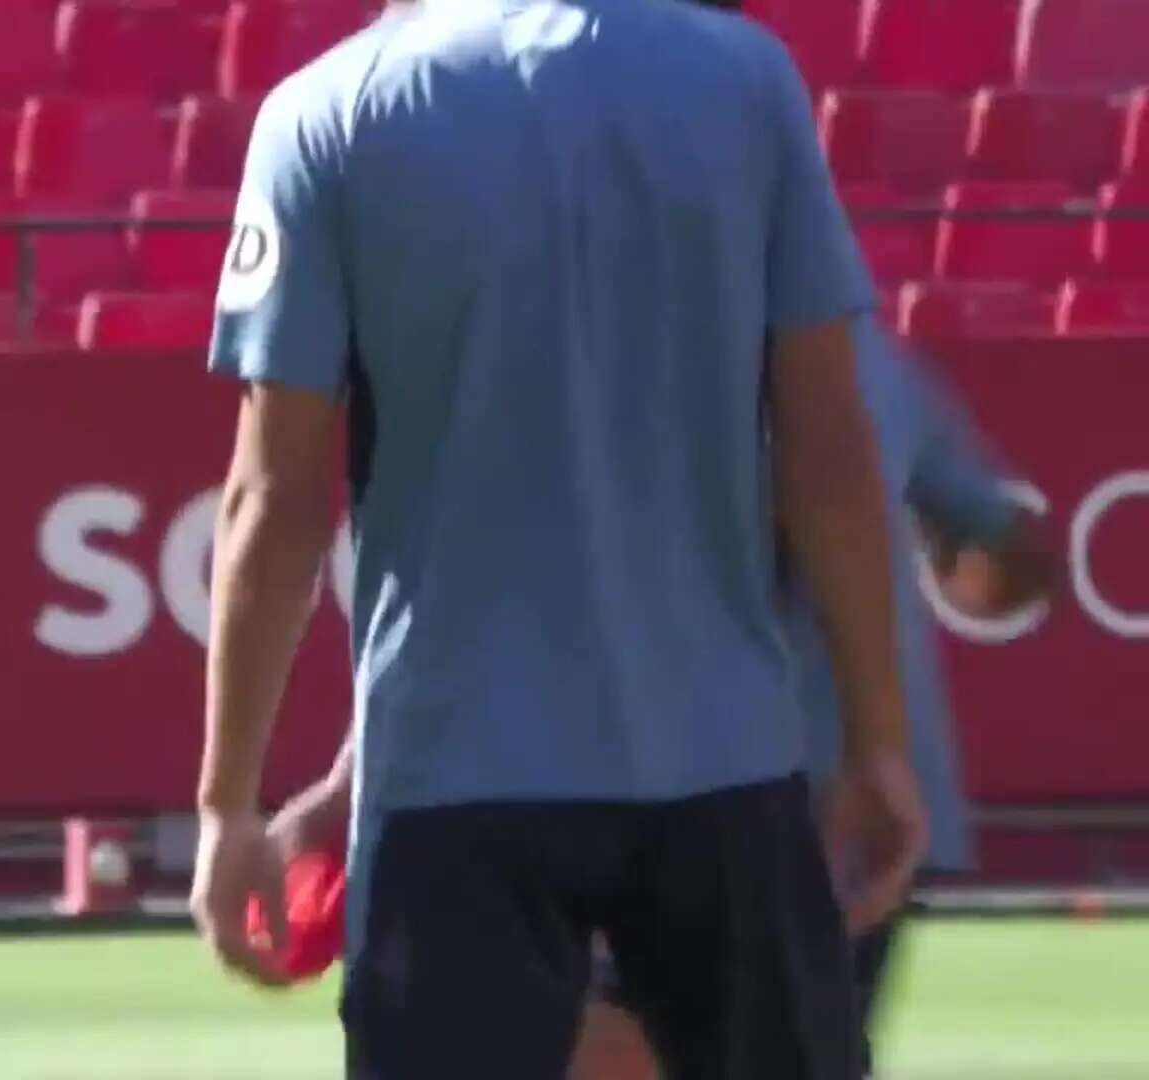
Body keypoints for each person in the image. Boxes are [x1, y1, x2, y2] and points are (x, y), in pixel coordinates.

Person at [189, 0, 928, 1076]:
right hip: (722, 766)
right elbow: (828, 453)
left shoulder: (330, 113)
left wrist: (229, 804)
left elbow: (276, 499)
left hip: (454, 787)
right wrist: (878, 742)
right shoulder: (743, 83)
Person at [264, 323, 1059, 1080]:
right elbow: (1013, 557)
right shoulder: (867, 352)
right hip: (851, 801)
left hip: (704, 796)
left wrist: (348, 784)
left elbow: (495, 591)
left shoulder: (604, 351)